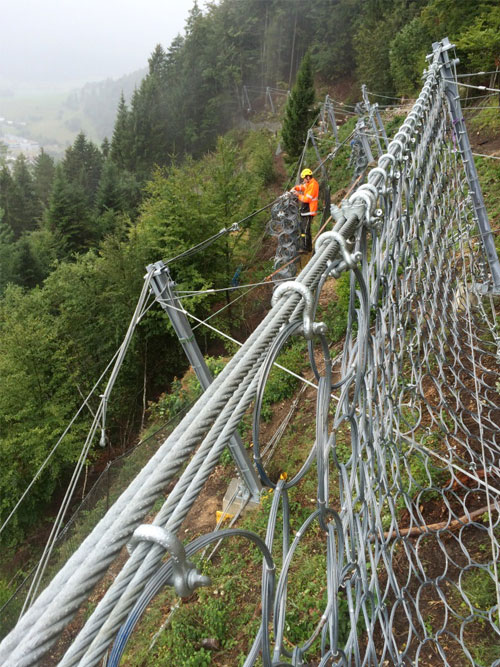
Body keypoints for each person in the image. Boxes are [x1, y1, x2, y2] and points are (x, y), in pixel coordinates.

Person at [290, 168, 319, 252]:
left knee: (305, 230)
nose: (303, 180)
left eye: (304, 178)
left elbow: (307, 199)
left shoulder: (314, 185)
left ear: (308, 177)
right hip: (305, 210)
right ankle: (306, 246)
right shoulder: (309, 183)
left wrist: (297, 195)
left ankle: (306, 248)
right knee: (303, 229)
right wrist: (295, 188)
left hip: (309, 210)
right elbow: (302, 187)